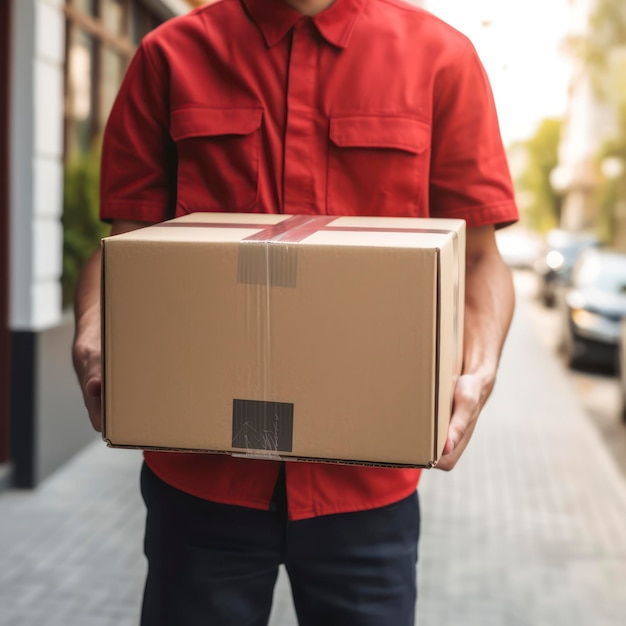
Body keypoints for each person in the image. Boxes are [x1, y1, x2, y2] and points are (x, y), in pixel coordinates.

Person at [72, 0, 519, 624]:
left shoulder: (441, 58)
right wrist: (94, 329)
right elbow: (124, 247)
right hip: (199, 476)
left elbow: (480, 262)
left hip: (369, 482)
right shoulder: (171, 56)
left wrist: (481, 368)